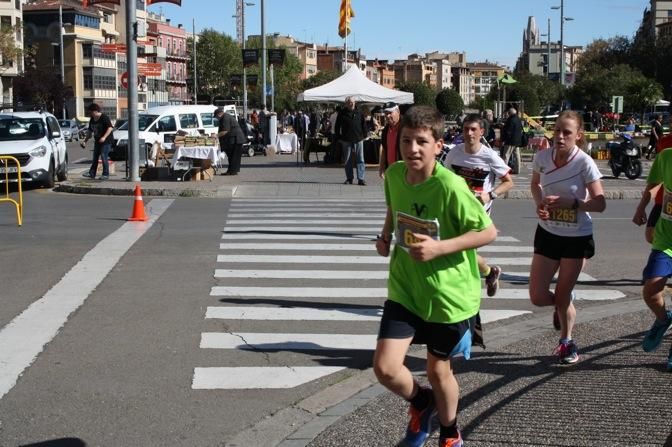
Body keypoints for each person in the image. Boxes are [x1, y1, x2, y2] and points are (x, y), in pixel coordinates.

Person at [373, 105, 497, 447]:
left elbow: (488, 233)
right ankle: (421, 401)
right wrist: (385, 237)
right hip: (405, 288)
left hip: (448, 296)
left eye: (422, 142)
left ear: (438, 145)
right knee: (385, 367)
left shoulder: (450, 187)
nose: (413, 149)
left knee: (438, 370)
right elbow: (393, 207)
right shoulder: (396, 175)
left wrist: (440, 249)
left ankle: (450, 432)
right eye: (407, 141)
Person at [529, 110, 606, 365]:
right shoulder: (542, 157)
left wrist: (571, 202)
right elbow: (535, 184)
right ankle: (563, 306)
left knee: (562, 296)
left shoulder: (584, 162)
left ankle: (567, 341)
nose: (560, 137)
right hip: (548, 231)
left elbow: (600, 203)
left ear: (578, 136)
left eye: (567, 133)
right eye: (557, 131)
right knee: (538, 296)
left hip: (576, 237)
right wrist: (540, 203)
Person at [440, 113, 514, 297]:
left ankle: (461, 292)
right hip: (455, 209)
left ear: (481, 132)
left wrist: (490, 195)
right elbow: (446, 178)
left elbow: (508, 182)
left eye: (474, 129)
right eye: (466, 129)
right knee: (461, 251)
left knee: (462, 250)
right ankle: (490, 272)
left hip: (478, 213)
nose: (469, 133)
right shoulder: (454, 153)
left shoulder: (489, 156)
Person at [632, 148, 672, 370]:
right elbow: (653, 184)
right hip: (665, 240)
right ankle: (664, 319)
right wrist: (640, 207)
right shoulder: (666, 156)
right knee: (651, 291)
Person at [335, 96, 367, 185]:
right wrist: (338, 137)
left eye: (352, 102)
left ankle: (361, 178)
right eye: (349, 102)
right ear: (346, 104)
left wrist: (365, 135)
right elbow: (337, 126)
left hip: (358, 138)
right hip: (346, 139)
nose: (351, 103)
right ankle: (349, 178)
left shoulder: (359, 112)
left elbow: (363, 124)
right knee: (347, 160)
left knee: (360, 159)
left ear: (355, 102)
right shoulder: (342, 113)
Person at [81, 103, 114, 180]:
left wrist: (104, 137)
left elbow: (110, 128)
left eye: (91, 112)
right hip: (97, 141)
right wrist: (85, 141)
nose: (90, 114)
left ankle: (105, 174)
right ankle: (92, 173)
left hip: (106, 141)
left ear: (95, 111)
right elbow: (90, 131)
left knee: (103, 155)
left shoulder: (104, 117)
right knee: (95, 157)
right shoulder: (92, 119)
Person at [215, 108, 245, 176]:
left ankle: (232, 171)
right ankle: (232, 171)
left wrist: (216, 135)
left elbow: (225, 131)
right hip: (234, 139)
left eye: (216, 116)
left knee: (233, 156)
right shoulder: (225, 117)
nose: (216, 118)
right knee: (232, 156)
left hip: (236, 139)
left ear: (219, 114)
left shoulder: (225, 118)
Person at [378, 101, 401, 178]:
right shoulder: (386, 130)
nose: (387, 116)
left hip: (404, 171)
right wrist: (381, 167)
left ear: (398, 111)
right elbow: (384, 149)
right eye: (386, 113)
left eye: (390, 112)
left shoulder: (406, 128)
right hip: (390, 170)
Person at [501, 107, 523, 175]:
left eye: (508, 113)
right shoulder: (518, 119)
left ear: (510, 113)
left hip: (510, 141)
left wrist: (503, 139)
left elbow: (508, 131)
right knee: (517, 156)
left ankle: (504, 171)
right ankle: (517, 170)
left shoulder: (510, 120)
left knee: (506, 155)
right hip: (517, 141)